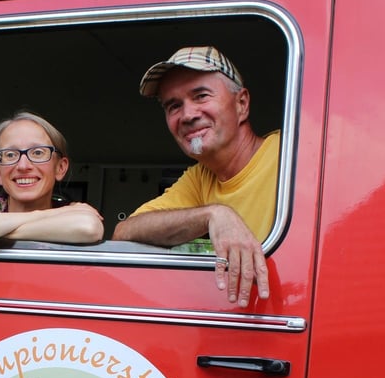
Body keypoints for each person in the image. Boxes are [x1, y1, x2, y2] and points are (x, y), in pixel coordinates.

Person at [112, 46, 277, 308]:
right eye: (174, 106)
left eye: (201, 96)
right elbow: (125, 231)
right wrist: (213, 214)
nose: (187, 115)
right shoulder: (200, 177)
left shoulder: (293, 155)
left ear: (241, 104)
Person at [0, 112, 103, 252]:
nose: (23, 166)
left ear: (60, 168)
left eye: (38, 153)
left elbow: (88, 227)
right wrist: (43, 215)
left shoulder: (73, 210)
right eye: (10, 155)